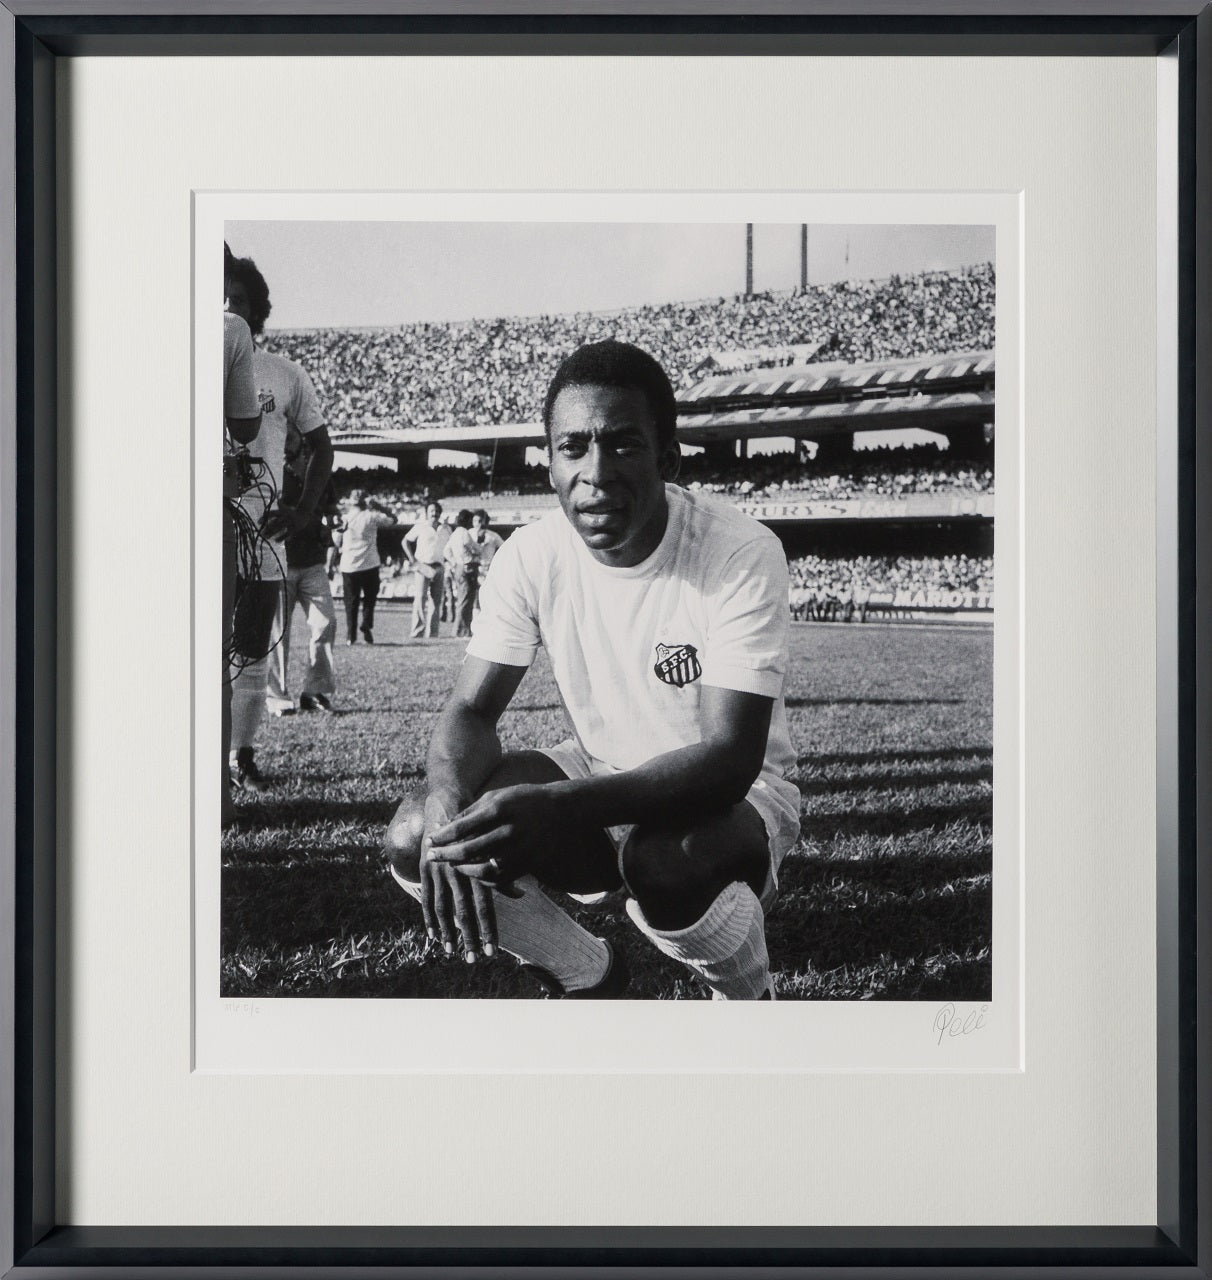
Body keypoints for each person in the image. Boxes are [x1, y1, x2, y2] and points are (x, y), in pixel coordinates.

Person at [383, 340, 800, 1000]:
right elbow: (471, 709)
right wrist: (445, 801)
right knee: (419, 838)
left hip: (731, 805)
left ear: (668, 457)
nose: (595, 473)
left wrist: (560, 805)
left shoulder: (739, 551)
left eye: (623, 445)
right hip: (595, 772)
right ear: (549, 462)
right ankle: (587, 974)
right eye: (573, 448)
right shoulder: (531, 553)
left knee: (663, 863)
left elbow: (729, 759)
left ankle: (748, 997)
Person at [225, 253, 333, 792]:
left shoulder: (284, 373)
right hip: (200, 532)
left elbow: (321, 446)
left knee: (250, 652)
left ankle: (239, 757)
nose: (227, 308)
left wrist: (304, 510)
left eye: (239, 300)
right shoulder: (182, 356)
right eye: (219, 297)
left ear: (257, 311)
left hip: (262, 533)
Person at [222, 261, 262, 825]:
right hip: (198, 499)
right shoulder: (230, 327)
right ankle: (216, 800)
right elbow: (245, 425)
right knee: (212, 656)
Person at [265, 450, 339, 715]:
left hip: (312, 560)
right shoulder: (270, 465)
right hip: (280, 558)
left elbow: (331, 509)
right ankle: (277, 696)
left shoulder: (318, 467)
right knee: (278, 633)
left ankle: (314, 692)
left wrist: (331, 522)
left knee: (326, 622)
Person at [337, 491, 396, 644]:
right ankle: (366, 623)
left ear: (351, 502)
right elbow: (393, 519)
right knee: (370, 598)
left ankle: (351, 636)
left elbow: (336, 542)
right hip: (370, 564)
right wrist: (379, 507)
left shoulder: (345, 518)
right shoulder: (371, 516)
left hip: (349, 565)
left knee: (351, 602)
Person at [403, 500, 450, 639]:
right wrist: (412, 559)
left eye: (437, 511)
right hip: (423, 566)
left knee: (436, 601)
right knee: (420, 599)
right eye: (432, 511)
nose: (434, 513)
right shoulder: (420, 526)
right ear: (427, 513)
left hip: (439, 566)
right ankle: (417, 631)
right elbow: (405, 541)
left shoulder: (446, 529)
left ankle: (433, 633)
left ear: (440, 513)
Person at [442, 509, 480, 638]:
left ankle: (462, 629)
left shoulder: (454, 534)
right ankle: (461, 630)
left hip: (458, 567)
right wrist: (475, 551)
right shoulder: (464, 532)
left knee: (462, 598)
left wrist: (454, 562)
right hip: (467, 567)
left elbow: (446, 551)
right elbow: (471, 545)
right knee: (466, 600)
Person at [469, 509, 504, 614]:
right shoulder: (469, 534)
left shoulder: (493, 536)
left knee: (488, 597)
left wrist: (497, 564)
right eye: (475, 521)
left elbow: (504, 548)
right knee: (474, 598)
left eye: (480, 521)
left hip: (487, 569)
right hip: (473, 569)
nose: (478, 524)